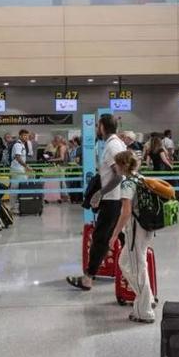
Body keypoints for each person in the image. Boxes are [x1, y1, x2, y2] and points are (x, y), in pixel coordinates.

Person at [66, 114, 126, 291]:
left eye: (98, 126)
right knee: (120, 235)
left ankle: (88, 278)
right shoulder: (115, 144)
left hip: (112, 199)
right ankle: (126, 271)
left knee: (100, 238)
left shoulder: (113, 146)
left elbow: (119, 174)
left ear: (102, 127)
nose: (96, 129)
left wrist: (100, 193)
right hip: (115, 198)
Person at [109, 150, 156, 323]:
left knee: (137, 268)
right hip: (146, 228)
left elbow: (126, 212)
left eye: (116, 165)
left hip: (135, 229)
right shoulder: (140, 178)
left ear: (122, 165)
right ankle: (147, 299)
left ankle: (145, 312)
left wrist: (114, 234)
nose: (115, 169)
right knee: (127, 263)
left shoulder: (128, 183)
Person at [9, 129, 34, 213]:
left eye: (27, 135)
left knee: (20, 187)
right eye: (24, 135)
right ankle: (12, 207)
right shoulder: (18, 145)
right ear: (20, 136)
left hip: (20, 169)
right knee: (16, 187)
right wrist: (26, 166)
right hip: (17, 169)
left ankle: (19, 205)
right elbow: (18, 157)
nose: (26, 137)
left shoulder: (23, 145)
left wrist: (26, 167)